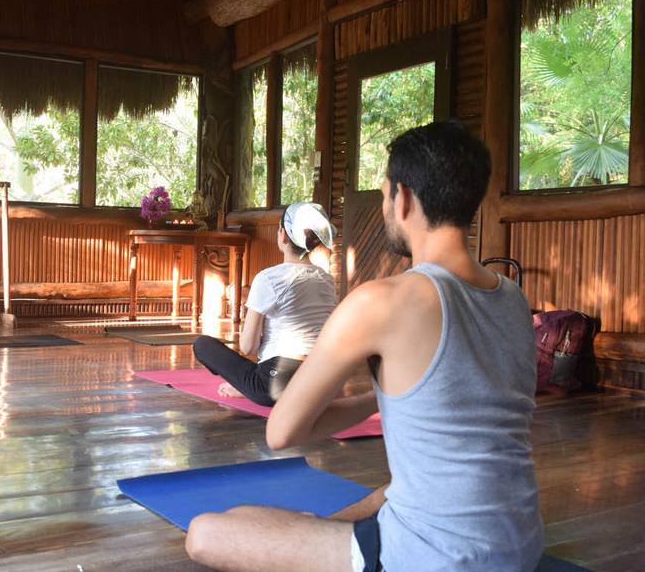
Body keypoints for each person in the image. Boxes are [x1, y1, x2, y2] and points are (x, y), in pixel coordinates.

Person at [185, 121, 544, 572]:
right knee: (375, 497)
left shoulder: (382, 301)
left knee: (208, 532)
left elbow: (282, 432)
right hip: (519, 545)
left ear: (405, 198)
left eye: (383, 196)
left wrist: (371, 397)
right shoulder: (512, 298)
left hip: (434, 559)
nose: (384, 207)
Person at [192, 202, 338, 406]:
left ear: (283, 235)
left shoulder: (268, 278)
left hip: (275, 385)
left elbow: (248, 347)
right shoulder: (326, 279)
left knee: (202, 345)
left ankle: (242, 386)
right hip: (322, 382)